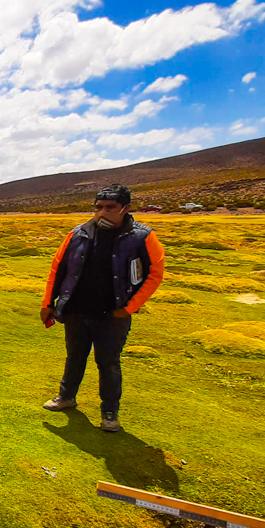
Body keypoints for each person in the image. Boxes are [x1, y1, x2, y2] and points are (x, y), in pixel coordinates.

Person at [39, 184, 165, 432]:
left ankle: (109, 413)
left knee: (108, 363)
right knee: (75, 356)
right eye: (98, 207)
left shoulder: (142, 236)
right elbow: (58, 269)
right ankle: (66, 397)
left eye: (110, 208)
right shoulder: (78, 233)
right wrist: (48, 304)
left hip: (112, 314)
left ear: (125, 208)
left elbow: (155, 274)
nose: (102, 213)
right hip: (76, 309)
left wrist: (129, 308)